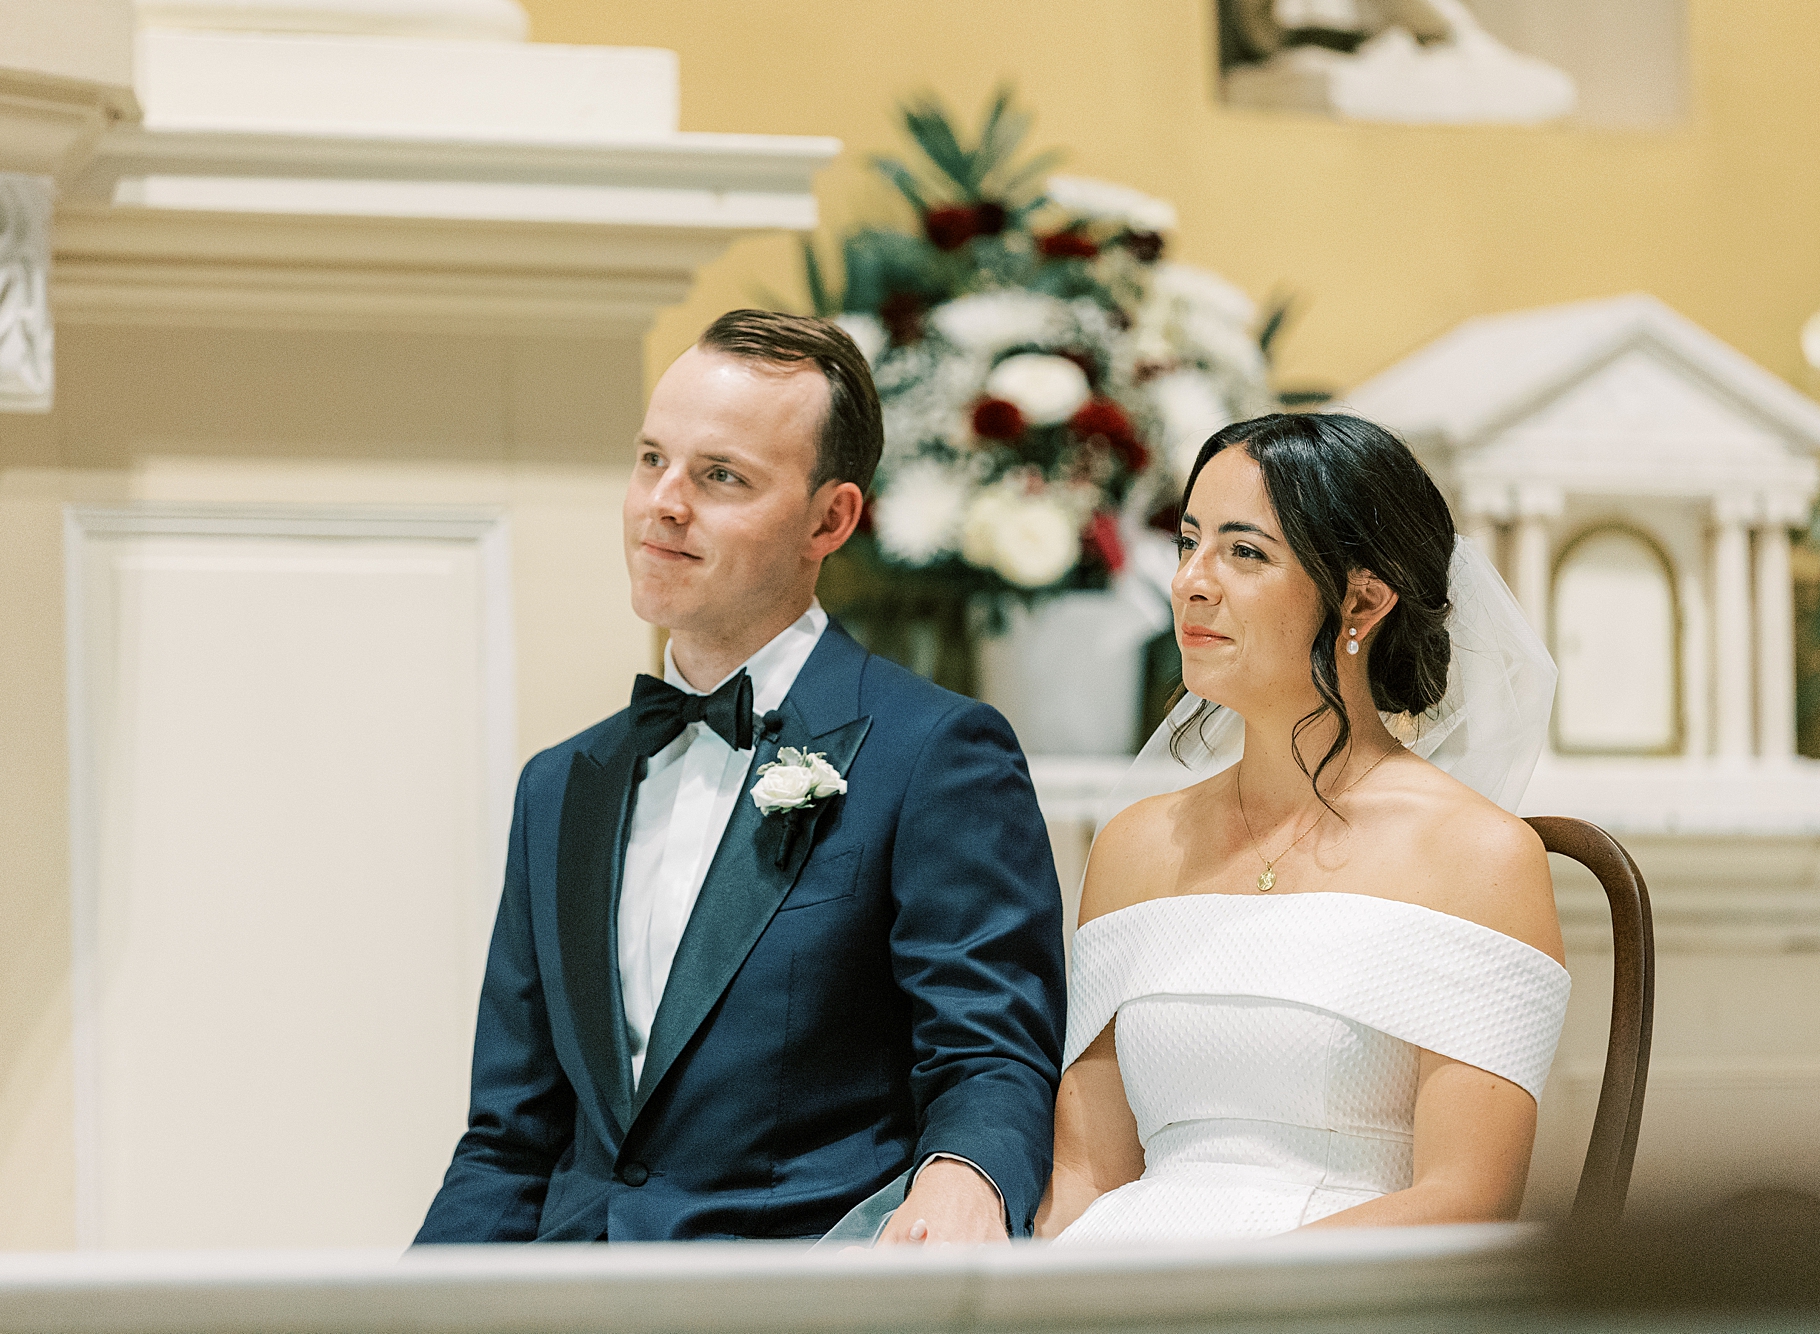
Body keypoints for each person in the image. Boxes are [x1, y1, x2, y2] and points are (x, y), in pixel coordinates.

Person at [415, 310, 1065, 1245]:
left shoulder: (936, 753)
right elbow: (510, 1142)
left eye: (720, 477)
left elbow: (989, 1054)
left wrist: (964, 1178)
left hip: (801, 1291)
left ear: (830, 518)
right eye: (651, 460)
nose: (663, 504)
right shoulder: (560, 785)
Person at [1035, 411, 1569, 1242]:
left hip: (1329, 1299)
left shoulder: (1480, 857)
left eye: (1244, 552)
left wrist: (1225, 1297)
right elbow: (1088, 1171)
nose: (1191, 583)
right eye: (1187, 542)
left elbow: (1466, 1200)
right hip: (1117, 1286)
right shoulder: (1136, 846)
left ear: (1363, 597)